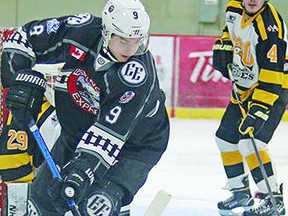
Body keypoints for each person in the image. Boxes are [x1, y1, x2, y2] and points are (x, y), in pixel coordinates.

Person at [0, 0, 170, 215]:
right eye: (124, 41)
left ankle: (115, 200)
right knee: (41, 204)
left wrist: (81, 172)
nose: (132, 49)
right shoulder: (79, 30)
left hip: (134, 146)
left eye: (138, 41)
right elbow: (22, 37)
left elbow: (108, 136)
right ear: (107, 32)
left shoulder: (136, 76)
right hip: (75, 134)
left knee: (96, 204)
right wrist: (19, 78)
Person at [212, 0, 287, 215]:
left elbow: (273, 76)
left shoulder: (270, 28)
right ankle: (240, 192)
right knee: (225, 139)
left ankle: (273, 200)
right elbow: (230, 30)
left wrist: (258, 109)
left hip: (273, 88)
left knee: (251, 142)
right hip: (245, 87)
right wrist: (225, 44)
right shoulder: (233, 8)